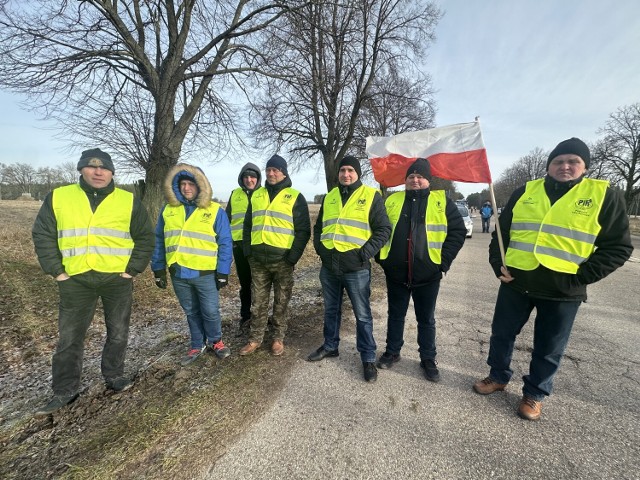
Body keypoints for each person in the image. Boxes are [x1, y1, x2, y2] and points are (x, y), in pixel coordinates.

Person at [473, 137, 633, 421]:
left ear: (585, 167)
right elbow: (502, 234)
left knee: (549, 347)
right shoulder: (526, 190)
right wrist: (499, 265)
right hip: (516, 283)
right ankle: (497, 377)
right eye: (559, 161)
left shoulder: (604, 196)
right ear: (549, 165)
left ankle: (534, 394)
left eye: (574, 161)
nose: (565, 166)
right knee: (501, 335)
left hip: (563, 290)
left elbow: (618, 247)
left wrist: (582, 276)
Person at [32, 148, 154, 416]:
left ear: (112, 172)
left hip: (116, 279)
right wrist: (57, 271)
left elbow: (145, 236)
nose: (98, 172)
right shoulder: (59, 197)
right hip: (75, 280)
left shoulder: (128, 200)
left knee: (119, 332)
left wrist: (132, 269)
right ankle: (65, 390)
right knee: (69, 338)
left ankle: (114, 375)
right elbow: (42, 234)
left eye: (104, 168)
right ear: (81, 170)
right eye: (91, 167)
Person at [376, 158, 466, 382]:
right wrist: (381, 259)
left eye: (420, 176)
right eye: (411, 177)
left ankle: (428, 358)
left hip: (428, 275)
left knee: (426, 319)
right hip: (396, 272)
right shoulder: (392, 199)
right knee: (395, 315)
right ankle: (392, 351)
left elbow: (457, 232)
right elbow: (377, 228)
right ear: (406, 179)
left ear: (429, 180)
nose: (415, 180)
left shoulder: (441, 200)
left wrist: (443, 263)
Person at [307, 156, 391, 382]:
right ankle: (330, 345)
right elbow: (319, 226)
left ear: (358, 173)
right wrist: (320, 249)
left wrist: (363, 254)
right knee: (331, 310)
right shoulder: (330, 196)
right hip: (330, 265)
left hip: (356, 268)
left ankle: (368, 357)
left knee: (362, 315)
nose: (346, 174)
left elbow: (384, 229)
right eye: (342, 170)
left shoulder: (371, 195)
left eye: (350, 170)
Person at [151, 163, 233, 366]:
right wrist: (158, 268)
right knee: (191, 311)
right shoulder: (168, 210)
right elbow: (159, 240)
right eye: (183, 184)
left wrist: (223, 271)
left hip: (205, 274)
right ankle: (197, 343)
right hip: (178, 273)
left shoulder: (215, 211)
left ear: (201, 186)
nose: (186, 188)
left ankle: (216, 341)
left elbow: (225, 242)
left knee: (211, 311)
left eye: (191, 184)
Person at [239, 155, 311, 356]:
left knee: (281, 302)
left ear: (284, 172)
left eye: (275, 170)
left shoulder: (295, 196)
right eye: (268, 169)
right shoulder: (257, 195)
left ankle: (278, 338)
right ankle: (254, 339)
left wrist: (292, 257)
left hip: (282, 261)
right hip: (258, 261)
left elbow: (304, 231)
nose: (271, 173)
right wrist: (248, 252)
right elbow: (247, 225)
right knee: (258, 302)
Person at [225, 163, 262, 333]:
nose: (249, 180)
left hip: (257, 246)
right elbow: (227, 220)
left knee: (260, 284)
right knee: (245, 284)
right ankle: (246, 317)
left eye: (252, 176)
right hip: (239, 246)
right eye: (246, 177)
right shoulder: (235, 195)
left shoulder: (264, 194)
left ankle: (261, 317)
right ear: (241, 178)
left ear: (258, 178)